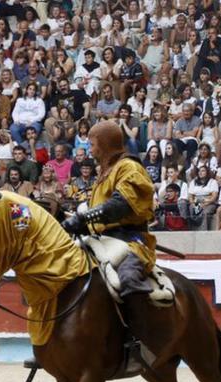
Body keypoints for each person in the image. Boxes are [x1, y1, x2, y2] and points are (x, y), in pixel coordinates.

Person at [60, 121, 156, 362]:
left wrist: (83, 218)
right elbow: (97, 210)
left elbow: (119, 205)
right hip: (101, 240)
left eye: (92, 144)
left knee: (128, 279)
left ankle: (141, 340)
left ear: (104, 145)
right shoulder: (103, 173)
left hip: (130, 240)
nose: (89, 149)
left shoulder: (129, 168)